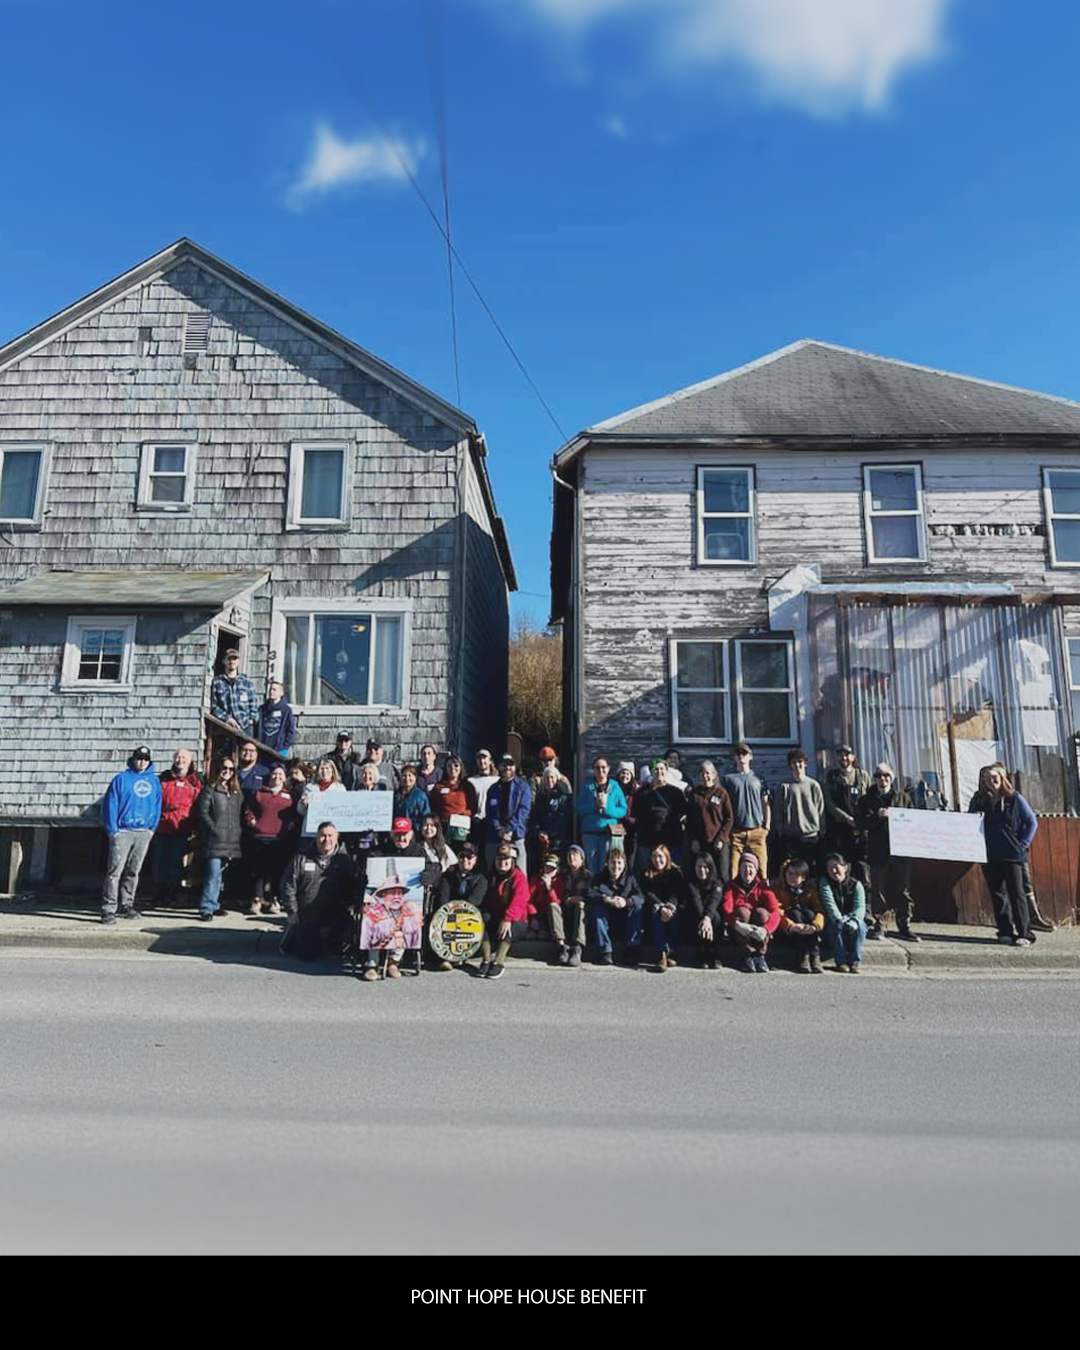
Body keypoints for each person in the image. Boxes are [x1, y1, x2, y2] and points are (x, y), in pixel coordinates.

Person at [969, 762, 1038, 947]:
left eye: (994, 778)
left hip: (1013, 854)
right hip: (990, 854)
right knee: (998, 894)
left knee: (1017, 894)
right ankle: (1005, 932)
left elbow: (1032, 822)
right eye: (987, 779)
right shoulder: (979, 800)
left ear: (1001, 778)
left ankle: (1025, 933)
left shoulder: (1014, 798)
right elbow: (968, 821)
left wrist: (1022, 844)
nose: (991, 782)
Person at [100, 744, 163, 924]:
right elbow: (110, 805)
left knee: (133, 870)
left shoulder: (154, 781)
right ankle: (108, 908)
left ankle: (127, 904)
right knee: (114, 871)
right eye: (139, 758)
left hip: (143, 832)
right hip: (123, 831)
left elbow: (158, 805)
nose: (142, 762)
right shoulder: (121, 779)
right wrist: (113, 831)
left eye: (145, 759)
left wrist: (152, 828)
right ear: (133, 759)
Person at [857, 763, 918, 942]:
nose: (882, 779)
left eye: (886, 776)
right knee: (878, 889)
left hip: (901, 850)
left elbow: (913, 821)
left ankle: (904, 924)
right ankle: (880, 924)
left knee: (903, 889)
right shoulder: (866, 800)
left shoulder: (903, 798)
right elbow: (860, 824)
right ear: (874, 779)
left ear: (891, 779)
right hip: (878, 850)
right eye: (879, 776)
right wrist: (877, 816)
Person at [280, 821, 357, 961]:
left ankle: (331, 940)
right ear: (316, 837)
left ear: (337, 837)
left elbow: (352, 887)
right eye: (322, 836)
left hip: (336, 911)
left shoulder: (345, 860)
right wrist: (292, 911)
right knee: (309, 955)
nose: (327, 840)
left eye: (330, 836)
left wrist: (353, 906)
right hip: (307, 912)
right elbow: (288, 885)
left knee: (338, 951)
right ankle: (295, 937)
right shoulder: (301, 858)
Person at [242, 762, 299, 915]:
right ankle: (257, 899)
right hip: (260, 836)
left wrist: (289, 828)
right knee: (259, 871)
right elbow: (248, 809)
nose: (277, 776)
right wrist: (252, 820)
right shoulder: (260, 793)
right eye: (275, 773)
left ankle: (275, 899)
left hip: (280, 838)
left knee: (277, 871)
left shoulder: (289, 796)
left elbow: (295, 815)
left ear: (285, 777)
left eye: (280, 774)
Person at [196, 757, 243, 921]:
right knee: (212, 874)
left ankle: (214, 904)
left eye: (231, 769)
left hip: (230, 839)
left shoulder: (236, 792)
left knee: (220, 874)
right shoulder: (210, 789)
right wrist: (213, 829)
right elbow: (203, 812)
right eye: (224, 768)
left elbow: (239, 815)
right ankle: (206, 907)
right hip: (215, 839)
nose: (227, 772)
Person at [153, 748, 201, 907]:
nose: (181, 760)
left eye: (184, 758)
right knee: (160, 864)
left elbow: (199, 805)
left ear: (190, 761)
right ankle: (159, 895)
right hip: (163, 826)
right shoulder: (164, 779)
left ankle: (174, 895)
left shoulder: (195, 782)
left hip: (183, 829)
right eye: (178, 757)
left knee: (178, 865)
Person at [477, 843, 530, 980]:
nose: (502, 862)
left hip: (516, 919)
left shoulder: (519, 877)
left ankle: (499, 961)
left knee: (508, 928)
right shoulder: (489, 877)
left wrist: (507, 918)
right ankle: (486, 960)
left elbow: (519, 901)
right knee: (481, 921)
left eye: (506, 859)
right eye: (499, 859)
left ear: (512, 861)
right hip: (494, 916)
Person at [721, 852, 780, 973]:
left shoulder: (763, 887)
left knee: (762, 913)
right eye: (744, 867)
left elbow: (775, 912)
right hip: (738, 929)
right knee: (743, 912)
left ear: (756, 869)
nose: (747, 870)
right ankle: (747, 954)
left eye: (750, 867)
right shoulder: (731, 886)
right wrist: (737, 924)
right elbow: (726, 909)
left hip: (759, 930)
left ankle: (760, 955)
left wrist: (766, 930)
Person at [432, 843, 488, 970]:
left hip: (469, 913)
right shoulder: (449, 875)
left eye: (469, 857)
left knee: (467, 922)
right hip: (450, 912)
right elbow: (443, 898)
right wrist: (448, 912)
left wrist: (459, 913)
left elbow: (475, 900)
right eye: (462, 856)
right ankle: (447, 957)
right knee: (442, 920)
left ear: (475, 859)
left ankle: (458, 956)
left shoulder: (481, 877)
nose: (465, 860)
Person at [587, 847, 645, 966]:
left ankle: (632, 949)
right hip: (606, 922)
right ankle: (605, 952)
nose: (616, 866)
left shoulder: (630, 879)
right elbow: (590, 894)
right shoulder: (599, 878)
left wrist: (626, 901)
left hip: (625, 921)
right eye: (613, 862)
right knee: (596, 909)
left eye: (619, 863)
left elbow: (640, 897)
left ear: (624, 864)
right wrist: (605, 899)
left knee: (637, 907)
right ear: (607, 863)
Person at [823, 744, 870, 885]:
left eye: (847, 754)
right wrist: (846, 818)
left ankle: (865, 899)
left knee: (862, 867)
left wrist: (862, 821)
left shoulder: (863, 776)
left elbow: (869, 800)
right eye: (841, 755)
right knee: (842, 865)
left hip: (860, 830)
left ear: (853, 757)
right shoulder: (832, 777)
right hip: (839, 829)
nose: (844, 758)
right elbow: (829, 803)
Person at [723, 744, 771, 880]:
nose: (741, 756)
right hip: (736, 832)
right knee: (733, 872)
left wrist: (766, 827)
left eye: (744, 753)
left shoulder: (759, 778)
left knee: (762, 871)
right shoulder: (728, 778)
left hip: (757, 831)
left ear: (750, 757)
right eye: (738, 754)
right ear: (734, 757)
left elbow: (766, 803)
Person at [632, 760, 687, 877]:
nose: (659, 772)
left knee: (673, 872)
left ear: (666, 771)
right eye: (655, 769)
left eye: (662, 769)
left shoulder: (675, 792)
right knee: (646, 873)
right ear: (651, 772)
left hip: (671, 839)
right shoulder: (642, 793)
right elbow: (635, 813)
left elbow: (683, 812)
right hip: (647, 839)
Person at [575, 756, 628, 876]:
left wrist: (607, 809)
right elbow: (578, 807)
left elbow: (623, 810)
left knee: (608, 865)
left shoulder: (614, 786)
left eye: (603, 767)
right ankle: (594, 891)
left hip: (609, 833)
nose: (601, 770)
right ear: (593, 770)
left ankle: (606, 891)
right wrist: (594, 805)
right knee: (592, 866)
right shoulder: (587, 786)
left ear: (608, 769)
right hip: (590, 833)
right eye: (597, 767)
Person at [775, 749, 826, 874]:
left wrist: (822, 832)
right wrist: (780, 832)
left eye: (800, 762)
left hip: (811, 836)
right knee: (792, 872)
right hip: (791, 837)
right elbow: (778, 811)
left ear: (805, 764)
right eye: (794, 762)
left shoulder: (814, 785)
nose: (797, 765)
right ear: (790, 765)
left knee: (812, 872)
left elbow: (821, 810)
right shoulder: (784, 786)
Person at [641, 843, 688, 972]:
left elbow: (678, 892)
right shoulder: (646, 874)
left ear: (667, 857)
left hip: (671, 907)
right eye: (654, 857)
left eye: (661, 857)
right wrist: (661, 907)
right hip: (655, 908)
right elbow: (648, 893)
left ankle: (672, 952)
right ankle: (662, 953)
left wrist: (670, 906)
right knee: (657, 915)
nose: (658, 860)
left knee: (674, 916)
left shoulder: (675, 872)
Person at [684, 760, 734, 882]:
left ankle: (723, 900)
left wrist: (721, 838)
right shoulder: (694, 794)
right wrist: (693, 840)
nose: (705, 776)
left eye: (708, 773)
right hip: (700, 843)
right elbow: (689, 820)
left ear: (714, 775)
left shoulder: (721, 793)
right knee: (701, 875)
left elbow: (729, 818)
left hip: (718, 842)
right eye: (702, 773)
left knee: (722, 875)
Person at [818, 853, 867, 974]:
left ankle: (854, 961)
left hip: (851, 919)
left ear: (845, 867)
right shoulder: (825, 883)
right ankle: (841, 962)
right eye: (829, 867)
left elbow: (860, 907)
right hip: (834, 919)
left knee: (861, 927)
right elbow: (829, 904)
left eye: (836, 866)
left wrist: (854, 921)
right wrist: (838, 919)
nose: (833, 870)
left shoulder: (856, 885)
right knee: (836, 926)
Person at [776, 858, 826, 974]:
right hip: (787, 930)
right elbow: (777, 911)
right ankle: (803, 955)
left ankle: (814, 955)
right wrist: (791, 926)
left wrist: (815, 926)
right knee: (795, 913)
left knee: (809, 913)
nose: (792, 877)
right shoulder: (779, 888)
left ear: (803, 878)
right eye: (789, 873)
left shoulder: (810, 890)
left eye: (796, 875)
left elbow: (820, 910)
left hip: (807, 927)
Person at [485, 754, 532, 873]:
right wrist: (498, 829)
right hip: (495, 836)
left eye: (510, 765)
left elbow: (524, 810)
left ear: (515, 767)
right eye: (504, 765)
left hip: (516, 835)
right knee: (492, 871)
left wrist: (509, 829)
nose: (507, 768)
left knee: (520, 872)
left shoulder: (523, 787)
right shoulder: (493, 788)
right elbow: (490, 812)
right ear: (499, 767)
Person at [528, 763, 574, 874]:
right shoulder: (539, 798)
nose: (549, 780)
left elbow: (564, 819)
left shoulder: (563, 797)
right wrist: (539, 831)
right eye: (547, 777)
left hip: (558, 842)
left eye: (552, 777)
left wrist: (552, 835)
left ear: (557, 779)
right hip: (542, 841)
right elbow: (534, 817)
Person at [551, 844, 591, 967]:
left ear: (582, 859)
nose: (572, 858)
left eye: (575, 855)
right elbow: (557, 893)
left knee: (581, 905)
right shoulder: (563, 875)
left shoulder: (588, 876)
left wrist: (581, 898)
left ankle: (577, 948)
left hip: (581, 912)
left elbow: (593, 895)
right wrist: (567, 899)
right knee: (553, 906)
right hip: (566, 907)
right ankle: (562, 946)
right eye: (569, 855)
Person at [686, 852, 726, 970]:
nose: (702, 870)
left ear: (710, 868)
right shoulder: (691, 883)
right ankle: (701, 950)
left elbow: (714, 902)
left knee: (716, 917)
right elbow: (696, 901)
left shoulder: (718, 883)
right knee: (697, 914)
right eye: (699, 867)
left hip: (711, 920)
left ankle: (713, 951)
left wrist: (707, 918)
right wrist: (705, 919)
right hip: (695, 919)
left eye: (705, 867)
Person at [428, 755, 477, 847]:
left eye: (456, 765)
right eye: (449, 766)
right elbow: (433, 806)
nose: (452, 768)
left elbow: (473, 807)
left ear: (461, 767)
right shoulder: (439, 786)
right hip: (443, 827)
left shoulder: (467, 786)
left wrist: (463, 815)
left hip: (462, 826)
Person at [210, 649, 259, 740]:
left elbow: (254, 702)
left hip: (246, 727)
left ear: (238, 661)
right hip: (226, 727)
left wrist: (251, 720)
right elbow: (214, 706)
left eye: (234, 659)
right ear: (224, 661)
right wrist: (227, 719)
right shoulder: (217, 682)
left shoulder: (246, 681)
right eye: (229, 659)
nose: (232, 661)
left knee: (245, 752)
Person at [255, 680, 298, 758]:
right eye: (270, 689)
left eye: (274, 690)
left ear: (281, 693)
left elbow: (291, 731)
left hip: (279, 750)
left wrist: (285, 748)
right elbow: (256, 728)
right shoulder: (262, 709)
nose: (271, 691)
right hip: (262, 749)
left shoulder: (286, 711)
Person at [468, 749, 499, 847]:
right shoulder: (471, 780)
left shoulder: (497, 780)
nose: (482, 761)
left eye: (484, 758)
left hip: (492, 822)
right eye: (479, 759)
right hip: (476, 821)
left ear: (490, 761)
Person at [614, 761, 641, 871]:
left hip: (632, 828)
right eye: (622, 773)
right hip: (617, 826)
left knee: (631, 859)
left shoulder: (637, 791)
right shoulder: (613, 788)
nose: (625, 776)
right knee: (617, 856)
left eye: (627, 773)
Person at [394, 764, 431, 834]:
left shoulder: (420, 795)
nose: (407, 778)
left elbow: (426, 816)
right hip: (398, 831)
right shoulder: (396, 795)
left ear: (415, 777)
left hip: (415, 832)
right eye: (404, 776)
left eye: (410, 775)